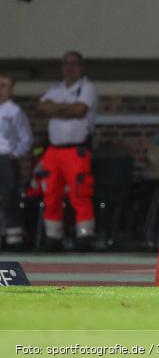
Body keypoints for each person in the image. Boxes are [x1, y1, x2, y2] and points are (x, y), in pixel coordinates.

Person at [35, 51, 98, 249]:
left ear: (82, 67)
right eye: (66, 64)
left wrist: (56, 109)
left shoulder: (87, 88)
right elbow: (41, 107)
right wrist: (66, 109)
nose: (70, 68)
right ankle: (53, 236)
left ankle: (84, 235)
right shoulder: (56, 88)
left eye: (75, 64)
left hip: (76, 151)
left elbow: (79, 110)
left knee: (80, 192)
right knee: (50, 192)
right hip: (53, 151)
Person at [0, 73, 32, 248]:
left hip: (5, 159)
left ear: (11, 90)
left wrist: (15, 154)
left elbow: (26, 138)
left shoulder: (14, 111)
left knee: (9, 197)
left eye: (4, 86)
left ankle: (13, 238)